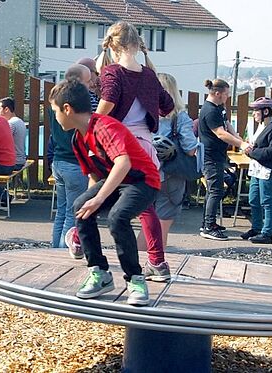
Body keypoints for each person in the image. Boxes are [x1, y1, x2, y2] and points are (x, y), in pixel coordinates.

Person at [50, 78, 159, 306]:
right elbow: (94, 177)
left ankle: (136, 280)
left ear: (67, 109)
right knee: (81, 207)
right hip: (115, 182)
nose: (55, 117)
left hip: (143, 181)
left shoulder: (104, 126)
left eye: (55, 111)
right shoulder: (78, 139)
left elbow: (123, 163)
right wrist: (88, 206)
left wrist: (99, 199)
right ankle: (100, 273)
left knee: (117, 217)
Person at [95, 21, 172, 281]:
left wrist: (92, 124)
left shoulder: (112, 72)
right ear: (137, 44)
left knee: (94, 194)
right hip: (146, 146)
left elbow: (109, 100)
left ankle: (79, 240)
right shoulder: (149, 75)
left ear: (113, 46)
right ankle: (158, 262)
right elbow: (167, 105)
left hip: (120, 147)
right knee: (146, 205)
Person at [198, 78, 251, 240]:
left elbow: (227, 123)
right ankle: (208, 227)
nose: (228, 97)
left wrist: (237, 136)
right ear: (217, 93)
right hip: (210, 156)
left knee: (214, 189)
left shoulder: (219, 108)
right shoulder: (210, 110)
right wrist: (241, 144)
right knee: (215, 190)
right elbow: (220, 133)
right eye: (226, 94)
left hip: (217, 155)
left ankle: (208, 222)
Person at [52, 64, 96, 254]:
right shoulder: (76, 105)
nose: (92, 84)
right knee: (73, 212)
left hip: (59, 160)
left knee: (61, 212)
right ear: (77, 82)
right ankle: (64, 251)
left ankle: (55, 249)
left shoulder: (56, 100)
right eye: (88, 81)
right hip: (74, 163)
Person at [154, 73, 199, 248]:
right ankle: (155, 261)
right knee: (163, 222)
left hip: (145, 173)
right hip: (170, 174)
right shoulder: (180, 117)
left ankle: (141, 263)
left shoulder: (144, 114)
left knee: (147, 221)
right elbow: (190, 149)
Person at [241, 97, 272, 244]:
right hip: (257, 169)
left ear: (265, 111)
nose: (254, 113)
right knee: (254, 199)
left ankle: (267, 233)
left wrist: (251, 153)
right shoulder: (262, 126)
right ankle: (256, 227)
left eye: (256, 110)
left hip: (269, 170)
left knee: (268, 201)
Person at [0, 97, 27, 169]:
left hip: (14, 162)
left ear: (6, 109)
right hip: (20, 159)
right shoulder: (19, 121)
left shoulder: (11, 124)